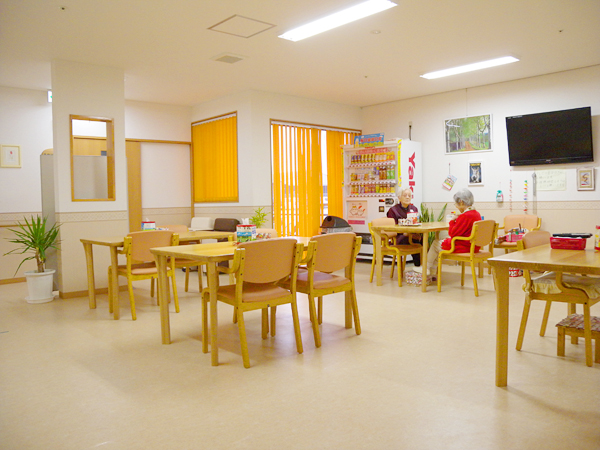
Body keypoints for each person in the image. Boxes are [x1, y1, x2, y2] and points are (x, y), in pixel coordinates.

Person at [414, 188, 482, 275]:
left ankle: (426, 268)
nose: (456, 206)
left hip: (464, 247)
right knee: (440, 244)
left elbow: (452, 233)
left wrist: (452, 220)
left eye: (456, 204)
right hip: (473, 245)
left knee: (435, 244)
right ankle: (432, 272)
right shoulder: (476, 213)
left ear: (461, 202)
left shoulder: (465, 216)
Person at [386, 187, 422, 267]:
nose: (407, 197)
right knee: (415, 241)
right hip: (399, 237)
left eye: (409, 195)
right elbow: (391, 228)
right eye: (405, 195)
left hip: (412, 235)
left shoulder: (414, 208)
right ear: (399, 197)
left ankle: (424, 267)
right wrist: (406, 233)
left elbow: (417, 222)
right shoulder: (393, 210)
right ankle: (418, 266)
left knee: (424, 240)